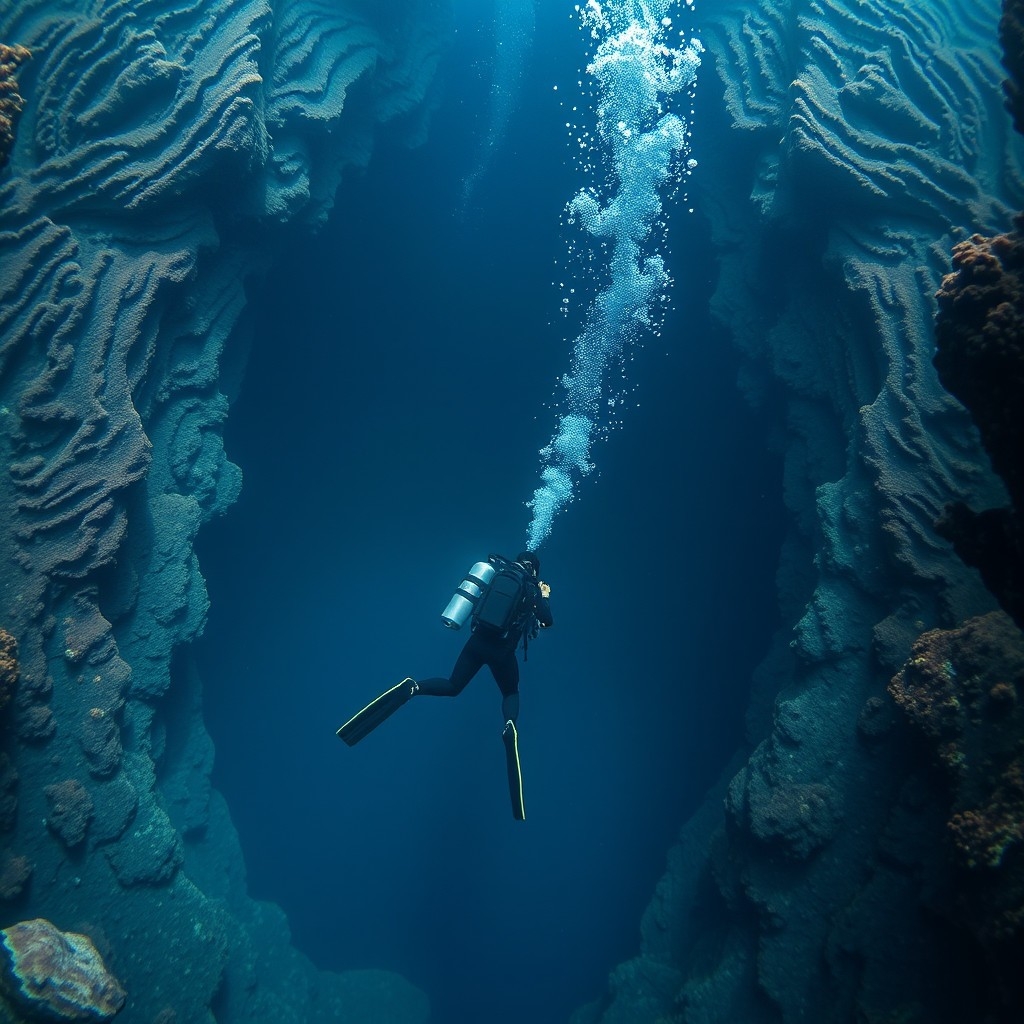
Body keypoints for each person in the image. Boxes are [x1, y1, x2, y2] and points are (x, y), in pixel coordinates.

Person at [337, 551, 553, 820]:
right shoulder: (531, 588)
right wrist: (543, 595)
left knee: (452, 685)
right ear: (535, 570)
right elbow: (546, 620)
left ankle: (413, 688)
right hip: (501, 653)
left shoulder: (499, 574)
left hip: (476, 643)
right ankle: (509, 724)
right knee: (510, 692)